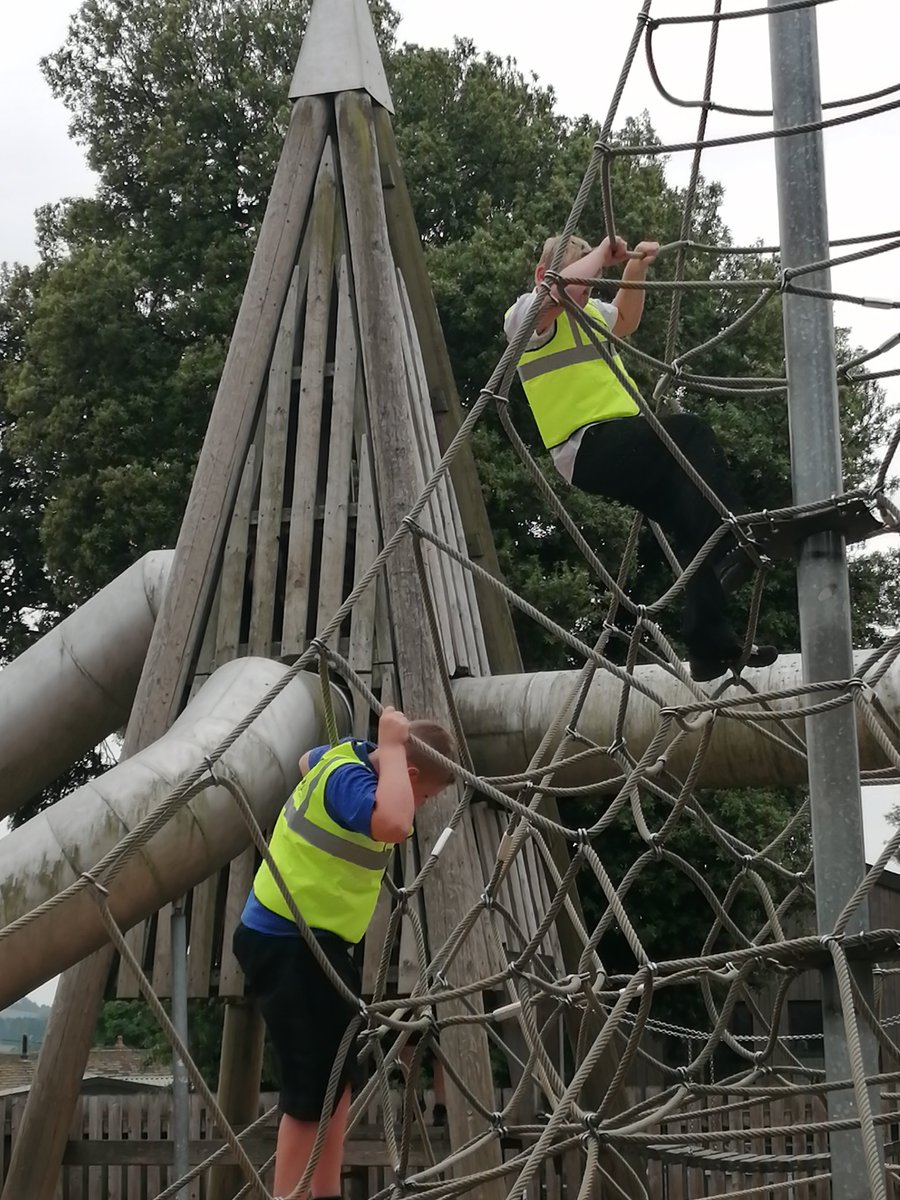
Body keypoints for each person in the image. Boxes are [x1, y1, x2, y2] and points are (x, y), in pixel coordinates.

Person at [504, 233, 777, 683]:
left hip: (623, 440)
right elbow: (558, 292)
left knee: (695, 520)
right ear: (543, 274)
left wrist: (634, 270)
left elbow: (626, 318)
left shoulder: (590, 313)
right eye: (585, 279)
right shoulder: (526, 318)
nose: (587, 292)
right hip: (586, 444)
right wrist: (599, 257)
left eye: (592, 285)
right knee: (690, 432)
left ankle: (710, 646)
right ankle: (734, 536)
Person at [233, 707, 458, 1200]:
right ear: (409, 773)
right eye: (425, 794)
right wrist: (396, 749)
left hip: (319, 946)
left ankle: (325, 1192)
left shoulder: (346, 757)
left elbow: (303, 761)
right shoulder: (353, 784)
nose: (419, 805)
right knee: (311, 1089)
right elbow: (395, 822)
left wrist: (389, 751)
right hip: (287, 943)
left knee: (339, 1079)